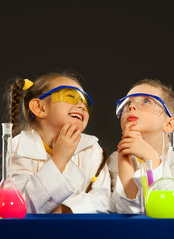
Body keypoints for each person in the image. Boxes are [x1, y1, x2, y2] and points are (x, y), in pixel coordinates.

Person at [8, 71, 112, 213]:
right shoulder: (19, 146)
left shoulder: (91, 148)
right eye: (70, 96)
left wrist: (64, 209)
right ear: (40, 108)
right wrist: (59, 159)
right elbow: (21, 204)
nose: (81, 105)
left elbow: (104, 201)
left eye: (85, 102)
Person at [108, 78, 174, 213]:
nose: (131, 106)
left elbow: (173, 209)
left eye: (147, 101)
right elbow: (127, 213)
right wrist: (124, 159)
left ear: (169, 124)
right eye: (127, 103)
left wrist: (151, 157)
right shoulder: (115, 160)